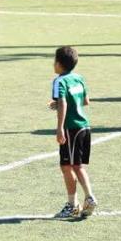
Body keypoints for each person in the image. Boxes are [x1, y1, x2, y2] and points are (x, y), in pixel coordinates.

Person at [49, 46, 97, 219]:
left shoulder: (59, 81)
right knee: (68, 165)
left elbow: (62, 102)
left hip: (71, 128)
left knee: (74, 166)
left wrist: (60, 127)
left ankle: (85, 199)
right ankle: (74, 204)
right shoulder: (78, 78)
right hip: (84, 126)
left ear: (60, 64)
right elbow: (85, 101)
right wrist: (64, 104)